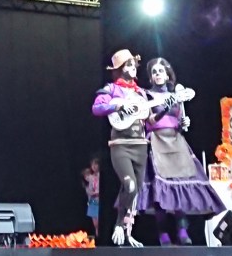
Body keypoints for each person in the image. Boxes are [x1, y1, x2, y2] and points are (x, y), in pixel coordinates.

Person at [137, 57, 225, 246]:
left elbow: (181, 121)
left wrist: (184, 123)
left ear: (167, 74)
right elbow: (149, 120)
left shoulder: (177, 94)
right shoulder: (146, 95)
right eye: (154, 72)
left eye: (161, 71)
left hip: (176, 141)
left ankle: (182, 231)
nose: (157, 74)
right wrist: (165, 108)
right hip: (157, 141)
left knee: (180, 185)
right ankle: (163, 235)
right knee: (160, 189)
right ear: (151, 77)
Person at [91, 49, 152, 247]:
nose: (133, 68)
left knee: (135, 192)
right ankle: (118, 225)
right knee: (130, 185)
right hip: (121, 145)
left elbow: (150, 119)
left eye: (134, 64)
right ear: (120, 69)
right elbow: (97, 108)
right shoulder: (111, 89)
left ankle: (128, 232)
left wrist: (168, 108)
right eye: (129, 64)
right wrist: (118, 106)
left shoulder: (141, 93)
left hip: (140, 146)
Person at [81, 156, 100, 237]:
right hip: (92, 201)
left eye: (96, 164)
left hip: (99, 201)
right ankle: (97, 236)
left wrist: (97, 192)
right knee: (95, 223)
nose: (94, 166)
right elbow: (88, 188)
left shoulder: (101, 176)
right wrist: (91, 192)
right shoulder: (91, 177)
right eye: (92, 165)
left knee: (100, 221)